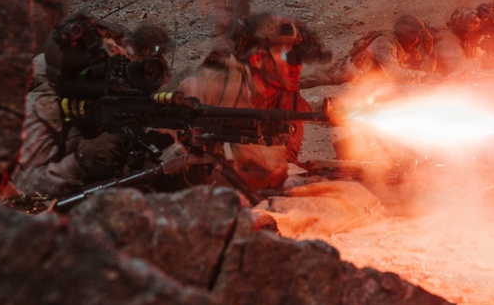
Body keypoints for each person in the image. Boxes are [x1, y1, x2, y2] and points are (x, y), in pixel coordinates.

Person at [7, 12, 172, 210]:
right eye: (109, 56)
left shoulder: (116, 98)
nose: (121, 59)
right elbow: (24, 185)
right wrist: (80, 163)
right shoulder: (43, 106)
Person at [166, 12, 331, 194]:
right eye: (289, 57)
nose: (296, 66)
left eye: (299, 58)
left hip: (248, 189)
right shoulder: (214, 85)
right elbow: (163, 136)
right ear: (257, 59)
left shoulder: (293, 105)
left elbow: (286, 160)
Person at [299, 14, 434, 88]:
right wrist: (422, 75)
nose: (417, 40)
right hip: (341, 72)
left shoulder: (403, 46)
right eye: (415, 35)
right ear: (405, 32)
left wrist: (429, 52)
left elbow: (424, 71)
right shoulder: (386, 43)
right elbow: (394, 74)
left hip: (355, 77)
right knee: (305, 80)